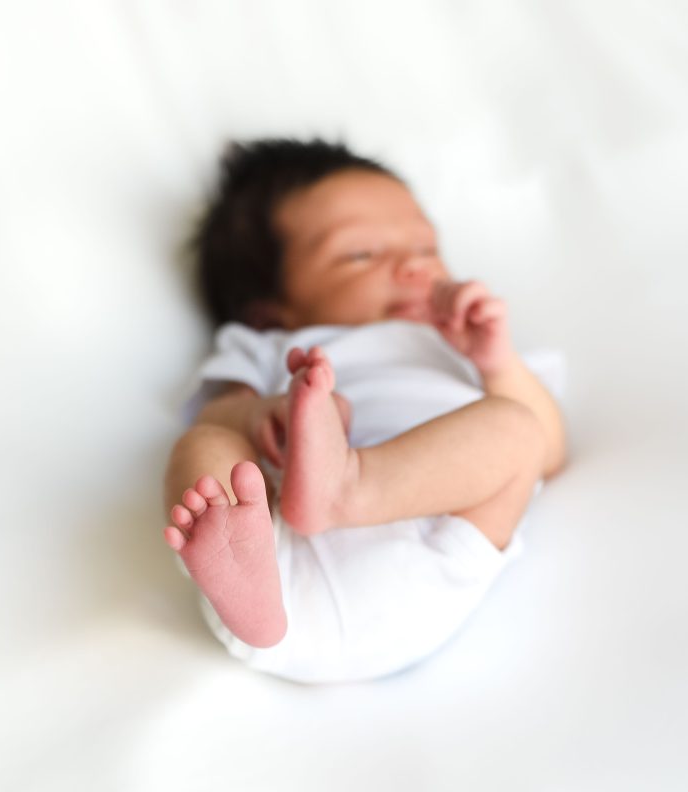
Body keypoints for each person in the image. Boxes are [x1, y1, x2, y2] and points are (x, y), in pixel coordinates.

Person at [164, 138, 567, 682]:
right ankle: (245, 593)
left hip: (436, 545)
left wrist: (496, 363)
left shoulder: (461, 347)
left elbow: (550, 453)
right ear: (270, 311)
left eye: (427, 249)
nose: (413, 269)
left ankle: (349, 487)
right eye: (362, 254)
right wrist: (262, 416)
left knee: (518, 430)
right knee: (205, 444)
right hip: (277, 567)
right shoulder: (264, 348)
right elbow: (218, 416)